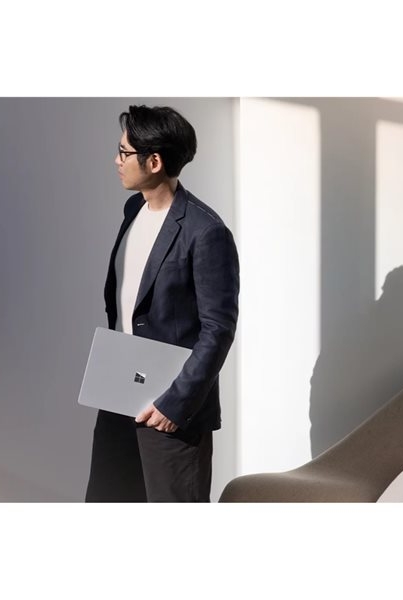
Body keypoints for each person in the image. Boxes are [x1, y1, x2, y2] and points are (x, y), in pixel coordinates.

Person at [85, 105, 239, 502]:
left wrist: (175, 404)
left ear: (154, 162)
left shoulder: (206, 232)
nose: (116, 160)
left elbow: (218, 329)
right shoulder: (133, 210)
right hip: (118, 398)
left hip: (170, 412)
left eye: (124, 152)